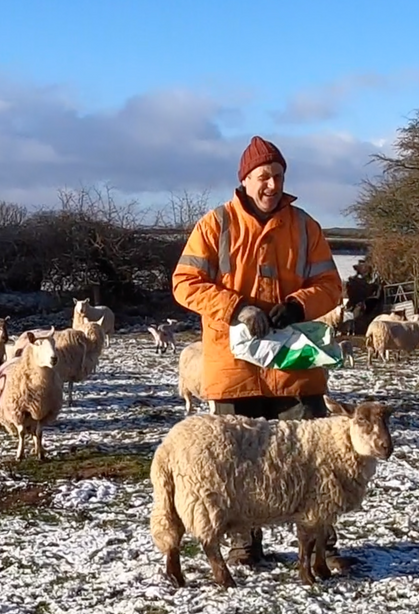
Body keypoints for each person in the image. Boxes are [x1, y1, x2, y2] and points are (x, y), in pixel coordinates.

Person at [171, 135, 356, 573]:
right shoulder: (215, 225)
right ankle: (244, 545)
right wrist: (237, 307)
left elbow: (330, 285)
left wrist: (297, 305)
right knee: (236, 461)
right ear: (245, 180)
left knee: (316, 461)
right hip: (234, 367)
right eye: (263, 177)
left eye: (278, 176)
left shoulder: (305, 226)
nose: (271, 185)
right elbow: (184, 283)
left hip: (294, 368)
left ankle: (321, 546)